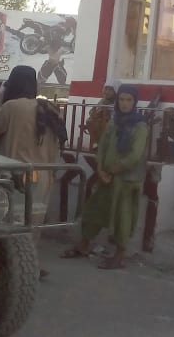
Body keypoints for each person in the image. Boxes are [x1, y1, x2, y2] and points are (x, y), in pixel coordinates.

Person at [0, 66, 67, 278]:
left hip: (17, 176)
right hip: (44, 176)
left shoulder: (12, 107)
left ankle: (8, 272)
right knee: (33, 226)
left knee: (11, 226)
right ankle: (29, 267)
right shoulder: (49, 109)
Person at [61, 84, 148, 269]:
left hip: (126, 180)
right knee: (94, 210)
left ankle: (119, 256)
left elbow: (135, 155)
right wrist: (100, 168)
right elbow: (102, 146)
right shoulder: (114, 121)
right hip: (106, 177)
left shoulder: (140, 126)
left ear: (134, 102)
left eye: (128, 100)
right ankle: (83, 245)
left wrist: (113, 170)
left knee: (122, 218)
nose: (124, 104)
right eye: (122, 100)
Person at [83, 81, 117, 149]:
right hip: (100, 122)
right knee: (89, 121)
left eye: (110, 89)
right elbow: (93, 111)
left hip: (113, 123)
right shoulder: (103, 100)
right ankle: (96, 143)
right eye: (106, 89)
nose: (107, 91)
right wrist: (95, 112)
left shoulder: (119, 100)